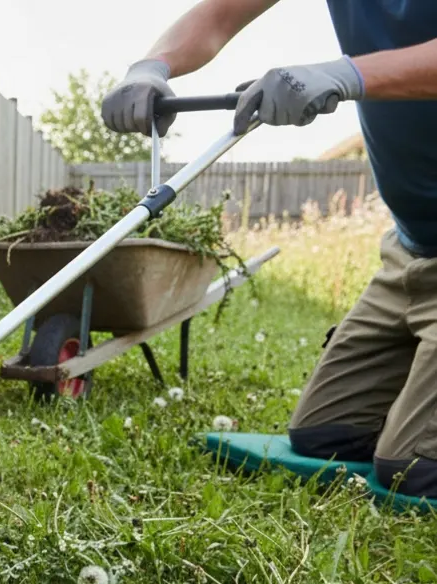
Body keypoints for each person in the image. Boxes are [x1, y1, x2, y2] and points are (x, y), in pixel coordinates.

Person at [100, 0, 437, 497]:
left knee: (411, 469)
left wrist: (344, 74)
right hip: (409, 253)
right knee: (325, 435)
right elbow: (219, 14)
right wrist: (151, 66)